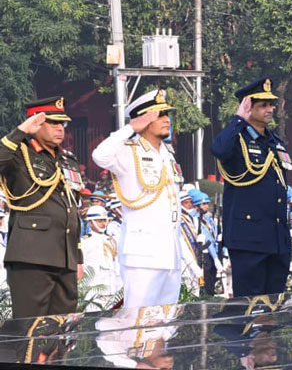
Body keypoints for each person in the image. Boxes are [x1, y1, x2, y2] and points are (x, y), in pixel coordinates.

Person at [92, 89, 184, 308]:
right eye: (159, 115)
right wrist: (130, 128)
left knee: (166, 319)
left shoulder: (167, 153)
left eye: (167, 114)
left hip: (170, 253)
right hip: (142, 255)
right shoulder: (128, 152)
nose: (166, 119)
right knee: (138, 320)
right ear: (143, 120)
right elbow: (99, 156)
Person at [0, 97, 84, 318]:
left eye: (62, 123)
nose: (60, 128)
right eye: (53, 123)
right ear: (35, 124)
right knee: (30, 327)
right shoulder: (19, 153)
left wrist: (77, 257)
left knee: (62, 328)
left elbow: (72, 210)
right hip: (32, 258)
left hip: (65, 259)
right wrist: (21, 131)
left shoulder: (68, 160)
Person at [211, 78, 291, 297]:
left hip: (276, 237)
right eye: (263, 105)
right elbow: (218, 150)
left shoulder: (275, 141)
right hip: (249, 239)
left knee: (274, 304)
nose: (270, 109)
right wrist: (238, 119)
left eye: (271, 104)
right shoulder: (236, 138)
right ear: (248, 106)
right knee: (249, 305)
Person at [80, 206, 121, 311]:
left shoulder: (111, 240)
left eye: (105, 220)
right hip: (93, 292)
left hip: (111, 291)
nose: (103, 224)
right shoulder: (84, 242)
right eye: (99, 221)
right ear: (90, 222)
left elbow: (116, 266)